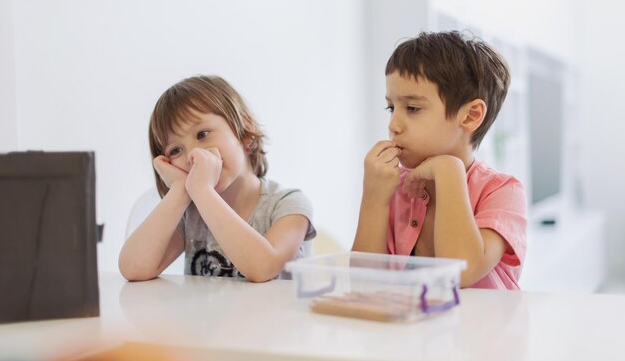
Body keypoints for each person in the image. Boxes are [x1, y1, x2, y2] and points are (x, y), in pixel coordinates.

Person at [352, 31, 527, 289]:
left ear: (470, 116)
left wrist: (449, 171)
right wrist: (374, 199)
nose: (393, 125)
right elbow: (362, 284)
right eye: (391, 108)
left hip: (485, 329)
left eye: (412, 108)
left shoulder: (503, 191)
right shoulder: (393, 187)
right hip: (413, 328)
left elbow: (459, 274)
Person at [119, 75, 315, 282]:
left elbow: (263, 268)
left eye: (202, 134)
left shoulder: (289, 205)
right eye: (176, 150)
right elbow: (134, 269)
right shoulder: (191, 214)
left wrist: (203, 191)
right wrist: (179, 190)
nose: (193, 156)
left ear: (244, 131)